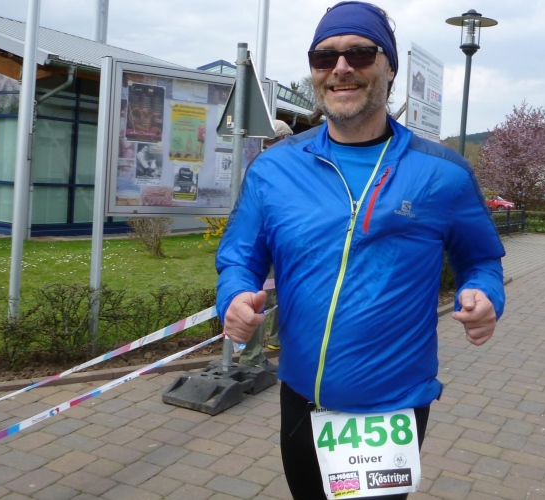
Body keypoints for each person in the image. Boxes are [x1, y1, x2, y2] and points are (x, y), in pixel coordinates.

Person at [215, 2, 505, 498]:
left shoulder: (444, 173)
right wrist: (235, 297)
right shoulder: (274, 169)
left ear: (389, 69)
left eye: (361, 53)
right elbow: (239, 258)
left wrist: (484, 296)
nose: (341, 67)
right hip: (303, 400)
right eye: (324, 57)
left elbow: (480, 259)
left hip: (393, 410)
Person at [238, 119, 295, 371]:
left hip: (270, 239)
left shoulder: (262, 161)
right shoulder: (274, 164)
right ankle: (251, 356)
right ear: (283, 139)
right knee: (260, 296)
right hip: (266, 241)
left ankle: (275, 340)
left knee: (277, 292)